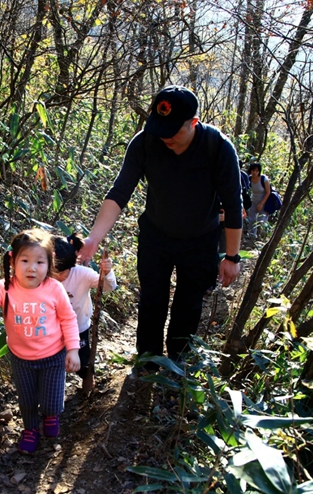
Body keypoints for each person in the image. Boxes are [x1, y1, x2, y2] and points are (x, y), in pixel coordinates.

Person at [78, 85, 242, 365]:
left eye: (173, 131)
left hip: (201, 239)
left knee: (189, 304)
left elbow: (233, 203)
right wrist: (93, 238)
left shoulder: (218, 148)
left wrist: (231, 256)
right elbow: (120, 192)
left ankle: (178, 361)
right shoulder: (146, 142)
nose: (166, 137)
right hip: (156, 235)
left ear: (193, 123)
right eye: (160, 128)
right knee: (152, 299)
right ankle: (148, 360)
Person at [0, 229, 81, 455]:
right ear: (12, 261)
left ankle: (50, 415)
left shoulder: (54, 289)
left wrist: (73, 350)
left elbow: (68, 319)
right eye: (25, 260)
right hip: (21, 358)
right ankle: (30, 430)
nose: (32, 267)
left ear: (49, 264)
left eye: (39, 262)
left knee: (52, 401)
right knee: (27, 400)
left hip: (53, 355)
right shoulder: (4, 288)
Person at [51, 234, 118, 390]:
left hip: (79, 326)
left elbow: (109, 286)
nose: (60, 276)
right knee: (54, 362)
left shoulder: (82, 274)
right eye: (55, 272)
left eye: (63, 272)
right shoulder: (42, 275)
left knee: (83, 360)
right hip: (52, 330)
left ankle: (88, 380)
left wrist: (107, 272)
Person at [246, 162, 271, 238]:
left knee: (261, 220)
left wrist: (261, 203)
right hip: (253, 200)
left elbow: (268, 192)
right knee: (252, 219)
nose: (254, 172)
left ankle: (262, 237)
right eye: (253, 170)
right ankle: (252, 235)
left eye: (257, 171)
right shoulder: (249, 179)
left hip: (264, 201)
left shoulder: (264, 179)